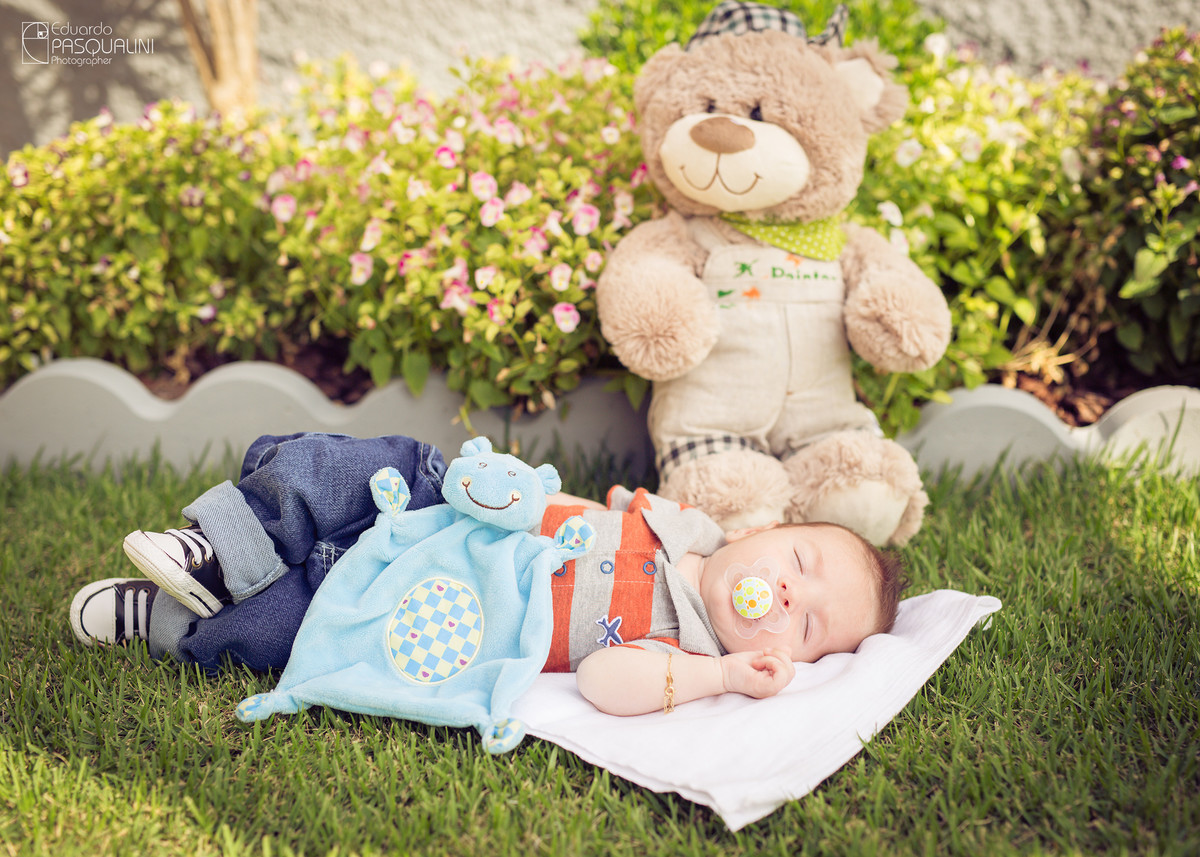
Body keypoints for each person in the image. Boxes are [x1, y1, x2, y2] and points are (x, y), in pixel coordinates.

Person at [69, 432, 907, 716]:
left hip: (438, 608)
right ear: (766, 530)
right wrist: (576, 500)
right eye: (801, 561)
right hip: (457, 513)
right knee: (362, 465)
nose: (791, 593)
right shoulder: (690, 526)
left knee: (299, 634)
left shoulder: (683, 650)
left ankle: (174, 621)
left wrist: (719, 673)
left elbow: (606, 682)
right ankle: (220, 543)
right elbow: (594, 507)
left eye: (804, 626)